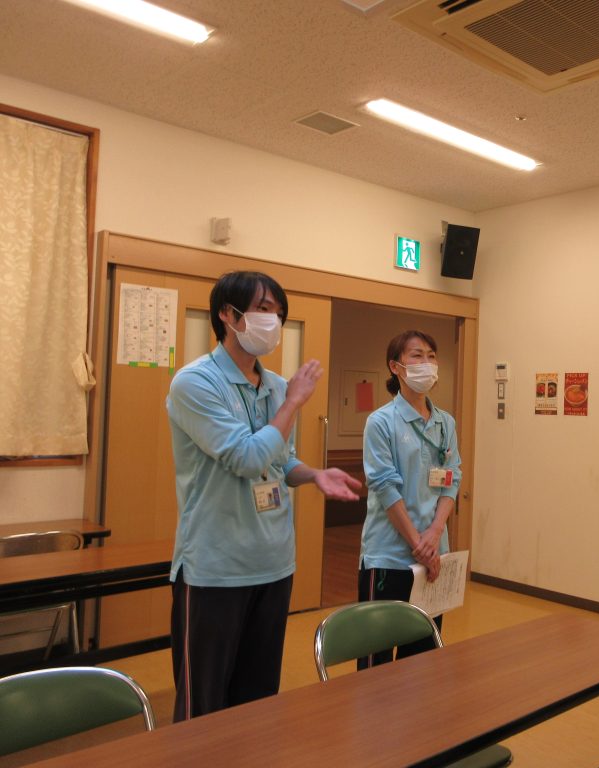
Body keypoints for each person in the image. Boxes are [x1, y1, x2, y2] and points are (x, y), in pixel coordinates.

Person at [166, 270, 361, 721]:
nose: (272, 321)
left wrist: (313, 474)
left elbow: (279, 461)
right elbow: (247, 458)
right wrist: (294, 403)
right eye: (262, 309)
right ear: (227, 314)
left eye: (278, 313)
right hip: (215, 568)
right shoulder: (195, 383)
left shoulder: (274, 385)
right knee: (203, 710)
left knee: (257, 703)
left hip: (273, 563)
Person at [359, 329, 460, 667]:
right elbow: (385, 486)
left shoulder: (446, 423)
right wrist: (419, 543)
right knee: (376, 662)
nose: (426, 363)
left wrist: (435, 534)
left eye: (431, 356)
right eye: (417, 355)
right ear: (396, 366)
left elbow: (452, 480)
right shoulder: (381, 422)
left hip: (433, 557)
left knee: (422, 661)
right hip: (389, 557)